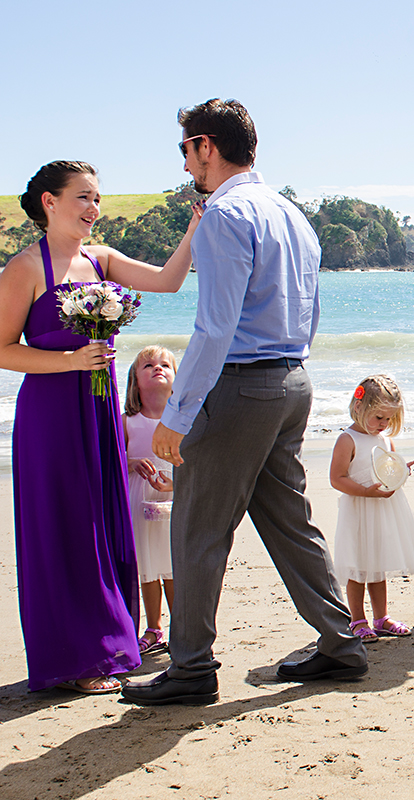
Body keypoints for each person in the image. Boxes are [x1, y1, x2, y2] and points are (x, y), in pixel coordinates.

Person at [122, 99, 367, 706]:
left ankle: (191, 668)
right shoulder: (292, 214)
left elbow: (214, 328)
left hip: (240, 388)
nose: (186, 164)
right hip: (290, 380)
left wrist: (176, 416)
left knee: (199, 526)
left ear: (207, 145)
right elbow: (310, 311)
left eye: (186, 150)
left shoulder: (224, 215)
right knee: (289, 520)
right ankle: (341, 642)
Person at [0, 160, 198, 694]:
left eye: (97, 198)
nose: (93, 208)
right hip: (51, 418)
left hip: (99, 409)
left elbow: (169, 281)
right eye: (83, 197)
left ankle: (110, 645)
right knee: (65, 526)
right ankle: (75, 659)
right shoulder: (25, 268)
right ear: (49, 202)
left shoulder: (102, 259)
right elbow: (2, 350)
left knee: (104, 522)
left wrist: (194, 230)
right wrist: (68, 360)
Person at [330, 375, 414, 641]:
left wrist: (400, 473)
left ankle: (381, 617)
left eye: (388, 419)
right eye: (378, 417)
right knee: (359, 567)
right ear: (359, 407)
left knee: (377, 565)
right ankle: (357, 619)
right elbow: (337, 478)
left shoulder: (385, 440)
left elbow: (388, 472)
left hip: (383, 511)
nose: (383, 424)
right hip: (359, 509)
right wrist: (365, 491)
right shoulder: (347, 439)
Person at [123, 345, 180, 657]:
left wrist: (176, 482)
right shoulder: (127, 421)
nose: (157, 368)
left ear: (175, 378)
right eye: (148, 366)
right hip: (138, 498)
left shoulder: (182, 420)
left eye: (165, 365)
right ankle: (154, 627)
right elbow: (112, 462)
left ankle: (179, 627)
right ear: (135, 379)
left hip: (173, 495)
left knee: (172, 564)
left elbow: (194, 460)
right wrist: (132, 464)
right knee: (147, 565)